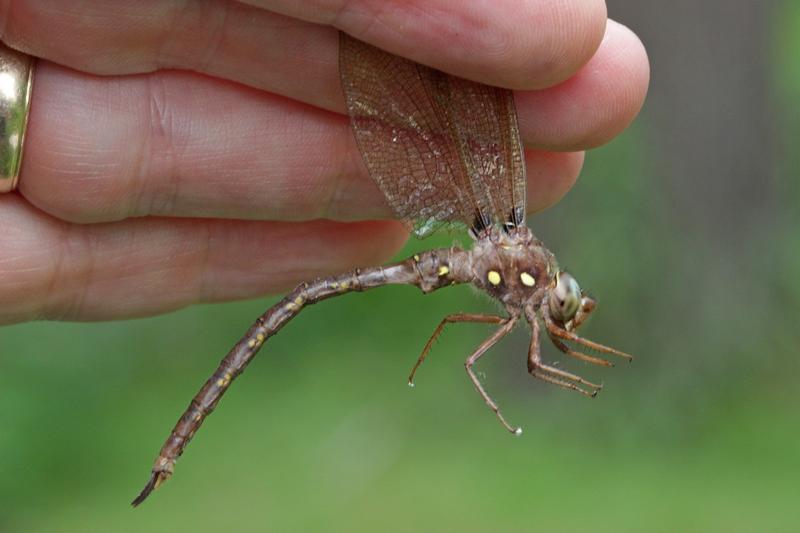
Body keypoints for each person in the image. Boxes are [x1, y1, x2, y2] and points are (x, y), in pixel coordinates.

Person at [0, 0, 649, 324]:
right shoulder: (511, 236)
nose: (562, 305)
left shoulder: (513, 249)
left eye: (562, 305)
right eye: (563, 301)